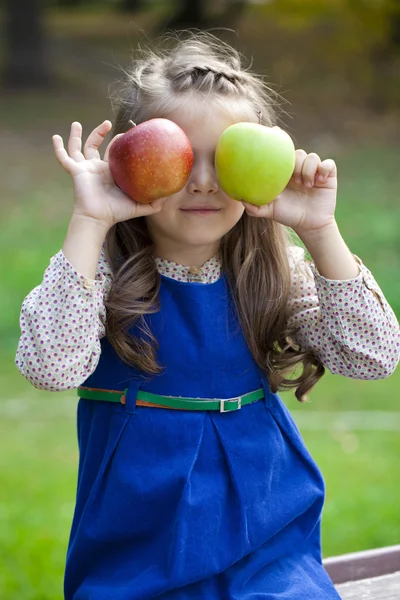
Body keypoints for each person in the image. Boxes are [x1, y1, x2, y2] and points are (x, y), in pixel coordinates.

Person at [16, 33, 399, 600]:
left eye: (226, 158)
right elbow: (49, 366)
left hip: (265, 537)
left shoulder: (274, 273)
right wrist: (90, 221)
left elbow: (374, 357)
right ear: (128, 161)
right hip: (138, 545)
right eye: (181, 157)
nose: (203, 179)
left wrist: (319, 231)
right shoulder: (96, 276)